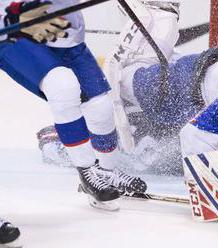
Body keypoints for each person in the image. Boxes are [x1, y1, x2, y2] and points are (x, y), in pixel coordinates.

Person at [37, 0, 218, 219]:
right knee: (133, 87)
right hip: (186, 82)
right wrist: (207, 194)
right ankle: (58, 141)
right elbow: (196, 134)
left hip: (202, 103)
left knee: (160, 158)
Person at [0, 0, 146, 212]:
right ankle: (87, 173)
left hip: (65, 35)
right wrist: (11, 18)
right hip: (16, 38)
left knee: (101, 107)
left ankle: (107, 171)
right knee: (63, 85)